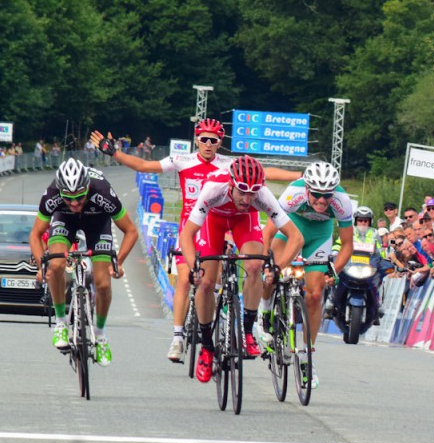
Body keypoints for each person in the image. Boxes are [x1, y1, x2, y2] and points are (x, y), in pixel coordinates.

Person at [90, 121, 301, 362]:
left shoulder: (232, 167)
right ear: (196, 139)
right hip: (197, 222)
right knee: (190, 278)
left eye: (214, 140)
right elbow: (144, 165)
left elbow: (265, 172)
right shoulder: (183, 160)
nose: (208, 144)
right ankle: (179, 337)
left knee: (248, 266)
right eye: (204, 139)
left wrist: (299, 176)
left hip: (235, 219)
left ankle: (239, 321)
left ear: (220, 142)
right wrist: (115, 152)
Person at [179, 156, 303, 383]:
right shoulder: (213, 188)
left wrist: (277, 269)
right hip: (213, 222)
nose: (247, 198)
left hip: (243, 222)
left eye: (252, 193)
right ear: (230, 185)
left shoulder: (262, 195)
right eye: (242, 192)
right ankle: (207, 347)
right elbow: (187, 234)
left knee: (255, 265)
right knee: (205, 282)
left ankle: (247, 331)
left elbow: (296, 237)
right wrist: (192, 267)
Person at [29, 159, 139, 365]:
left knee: (103, 283)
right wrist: (41, 267)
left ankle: (101, 335)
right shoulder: (52, 194)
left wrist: (119, 262)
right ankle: (61, 323)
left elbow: (131, 231)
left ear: (87, 187)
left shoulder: (103, 192)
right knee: (56, 265)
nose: (74, 204)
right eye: (68, 198)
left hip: (98, 223)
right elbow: (35, 234)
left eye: (79, 197)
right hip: (65, 221)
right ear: (60, 191)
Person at [261, 162, 354, 389]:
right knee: (272, 273)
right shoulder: (293, 193)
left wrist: (332, 272)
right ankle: (264, 312)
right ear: (307, 190)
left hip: (319, 235)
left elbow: (348, 245)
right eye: (316, 195)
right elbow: (269, 230)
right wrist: (265, 262)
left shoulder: (342, 202)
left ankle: (306, 358)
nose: (321, 201)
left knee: (314, 294)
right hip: (291, 228)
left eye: (326, 196)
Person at [325, 206, 389, 324]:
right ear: (355, 221)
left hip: (368, 265)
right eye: (360, 220)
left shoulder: (374, 235)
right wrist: (335, 252)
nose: (363, 223)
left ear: (370, 221)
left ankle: (377, 304)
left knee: (377, 280)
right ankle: (331, 299)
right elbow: (339, 244)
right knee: (337, 274)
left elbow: (380, 250)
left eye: (366, 220)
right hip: (350, 263)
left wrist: (384, 258)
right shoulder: (349, 232)